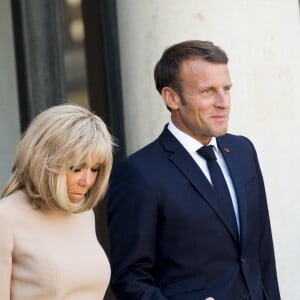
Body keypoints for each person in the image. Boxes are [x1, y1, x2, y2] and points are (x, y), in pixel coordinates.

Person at [107, 40, 281, 299]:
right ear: (172, 97)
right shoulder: (138, 174)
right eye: (207, 91)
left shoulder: (243, 151)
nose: (223, 102)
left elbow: (262, 255)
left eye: (226, 89)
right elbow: (130, 280)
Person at [0, 104, 114, 300]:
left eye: (95, 169)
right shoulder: (6, 217)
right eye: (77, 168)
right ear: (44, 162)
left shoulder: (83, 213)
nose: (87, 181)